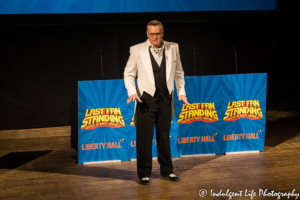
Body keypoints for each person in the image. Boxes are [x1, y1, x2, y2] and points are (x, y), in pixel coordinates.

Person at [124, 20, 190, 185]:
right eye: (151, 34)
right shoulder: (136, 49)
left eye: (157, 34)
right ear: (147, 34)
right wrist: (132, 92)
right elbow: (128, 73)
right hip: (145, 100)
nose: (155, 37)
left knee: (164, 137)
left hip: (166, 100)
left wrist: (181, 93)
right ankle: (144, 173)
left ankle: (167, 171)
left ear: (162, 33)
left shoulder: (173, 47)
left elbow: (179, 72)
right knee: (144, 138)